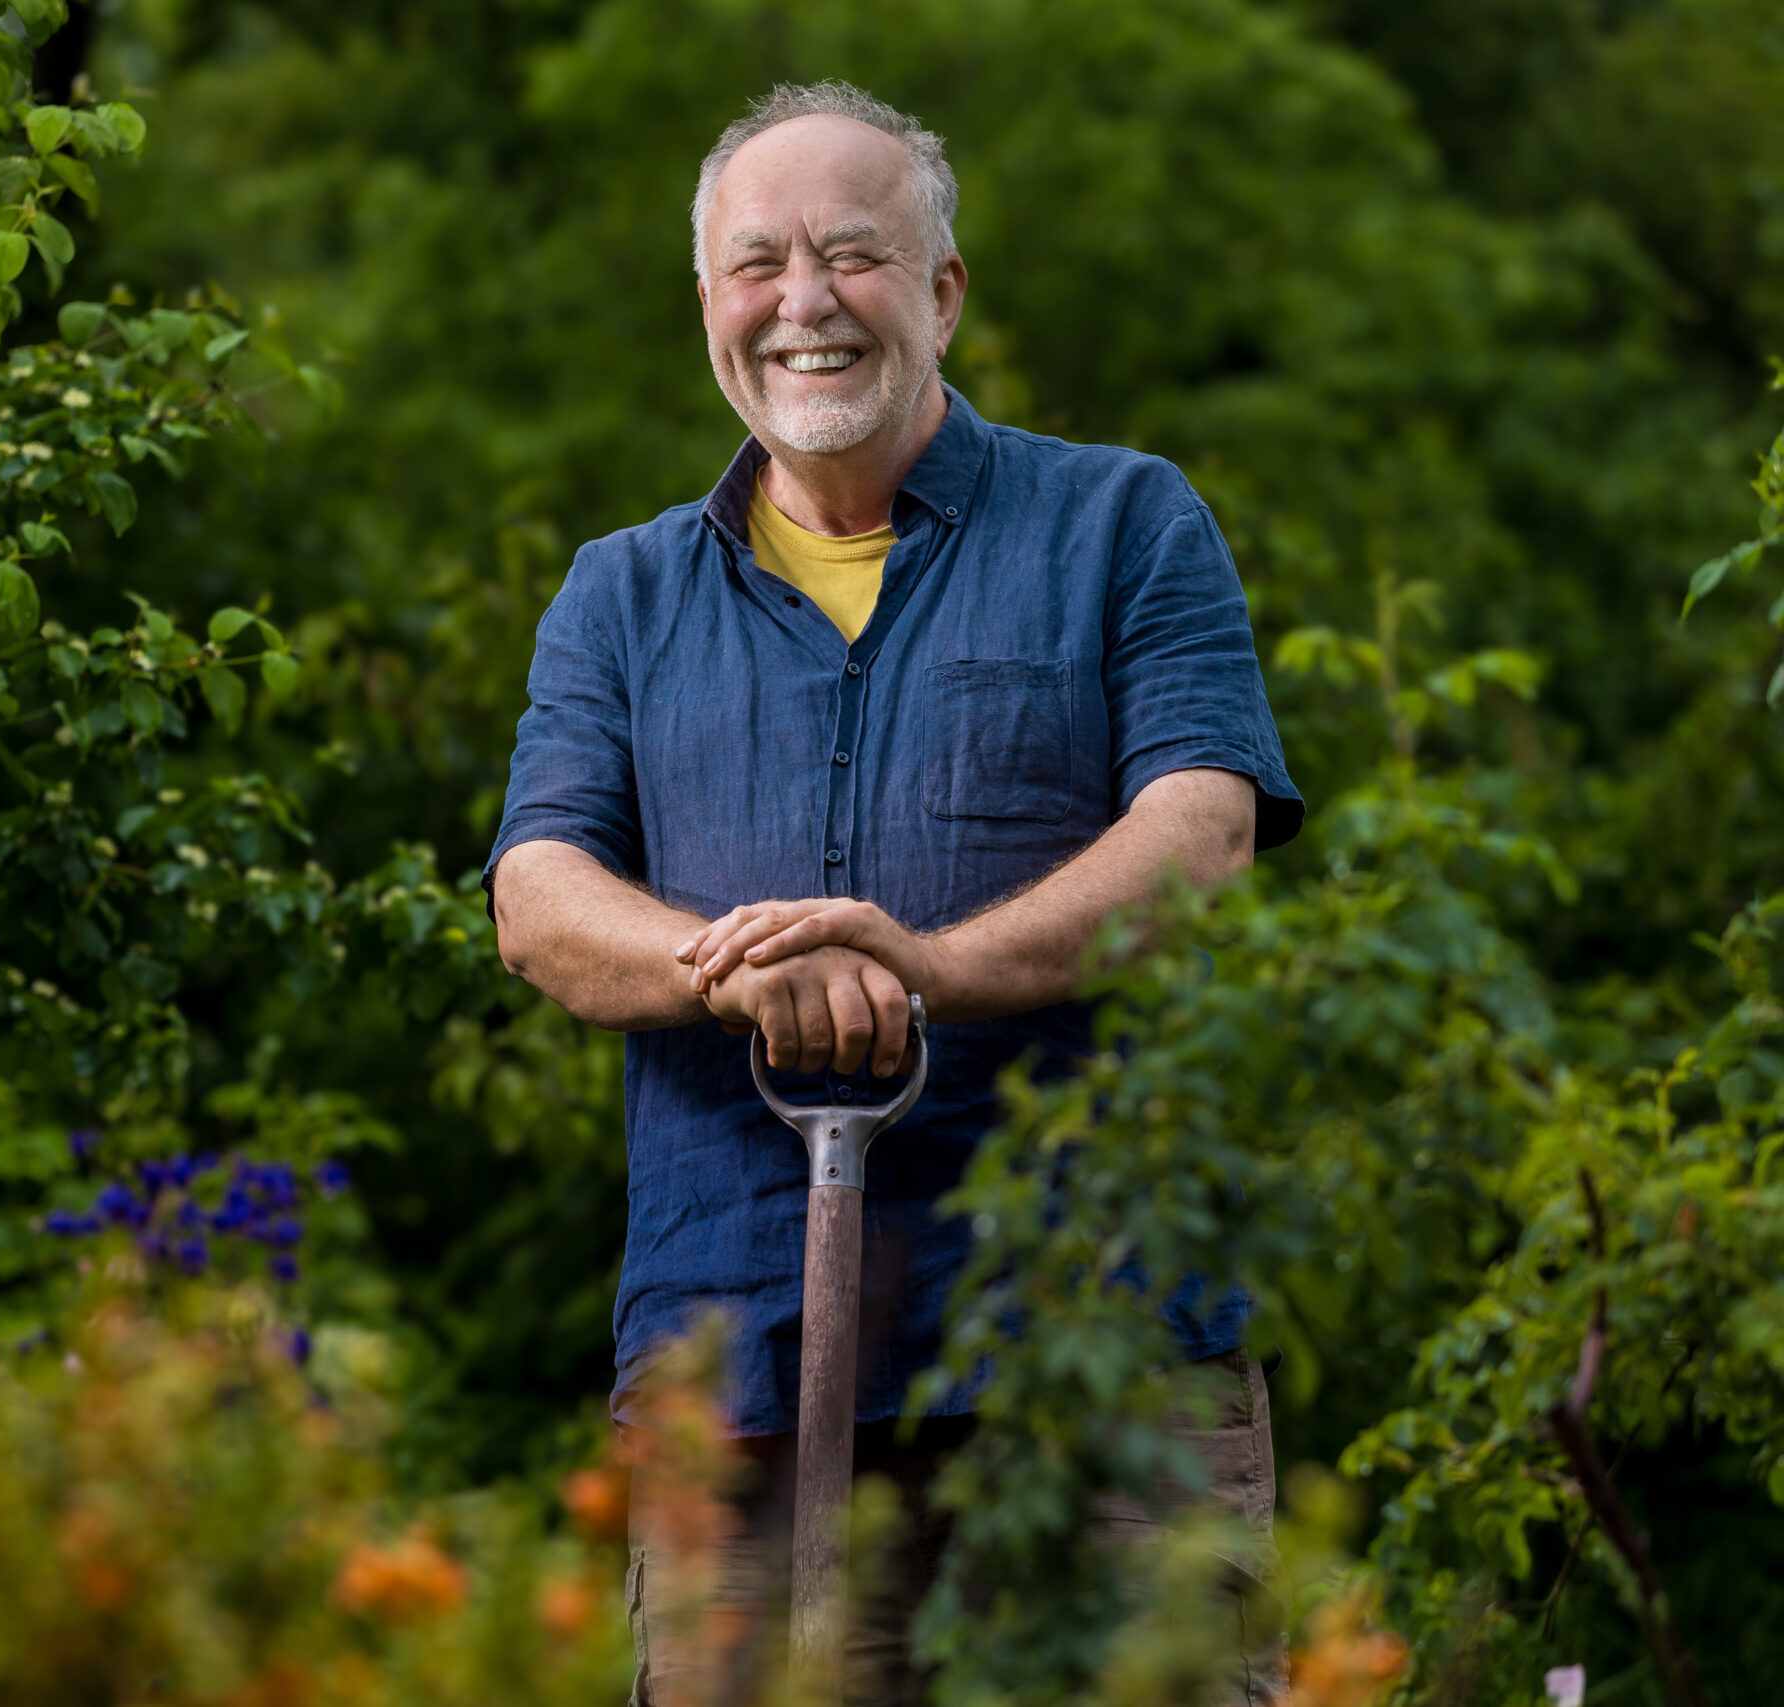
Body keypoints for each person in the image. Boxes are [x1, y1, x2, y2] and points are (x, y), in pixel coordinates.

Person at [484, 80, 1302, 1705]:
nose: (802, 303)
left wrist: (921, 966)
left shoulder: (1124, 524)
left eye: (853, 255)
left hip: (1102, 1358)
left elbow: (1201, 836)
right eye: (756, 261)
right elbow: (541, 897)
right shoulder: (620, 596)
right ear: (709, 302)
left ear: (941, 293)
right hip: (745, 1377)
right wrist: (740, 967)